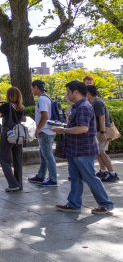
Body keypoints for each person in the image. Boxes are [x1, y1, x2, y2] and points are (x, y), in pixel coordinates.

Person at [52, 81, 114, 214]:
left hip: (83, 150)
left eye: (68, 92)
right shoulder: (78, 106)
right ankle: (74, 204)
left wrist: (63, 130)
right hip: (75, 149)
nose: (66, 95)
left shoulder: (84, 107)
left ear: (76, 92)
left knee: (90, 177)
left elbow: (83, 128)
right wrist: (65, 127)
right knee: (75, 178)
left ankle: (106, 204)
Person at [0, 87, 26, 192]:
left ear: (9, 96)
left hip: (8, 135)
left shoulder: (6, 106)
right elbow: (24, 119)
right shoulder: (21, 107)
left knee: (3, 159)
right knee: (18, 160)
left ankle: (13, 183)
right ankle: (19, 184)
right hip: (19, 135)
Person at [86, 85, 120, 182]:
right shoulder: (95, 102)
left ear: (88, 93)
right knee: (99, 152)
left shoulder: (98, 102)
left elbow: (102, 118)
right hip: (99, 130)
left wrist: (103, 132)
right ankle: (103, 171)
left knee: (101, 152)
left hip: (101, 130)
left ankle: (112, 173)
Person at [28, 80, 58, 187]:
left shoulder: (41, 99)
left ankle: (53, 179)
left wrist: (38, 129)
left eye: (32, 88)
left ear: (36, 87)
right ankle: (41, 175)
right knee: (43, 154)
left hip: (45, 131)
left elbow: (44, 116)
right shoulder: (47, 97)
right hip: (49, 130)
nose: (32, 90)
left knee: (48, 155)